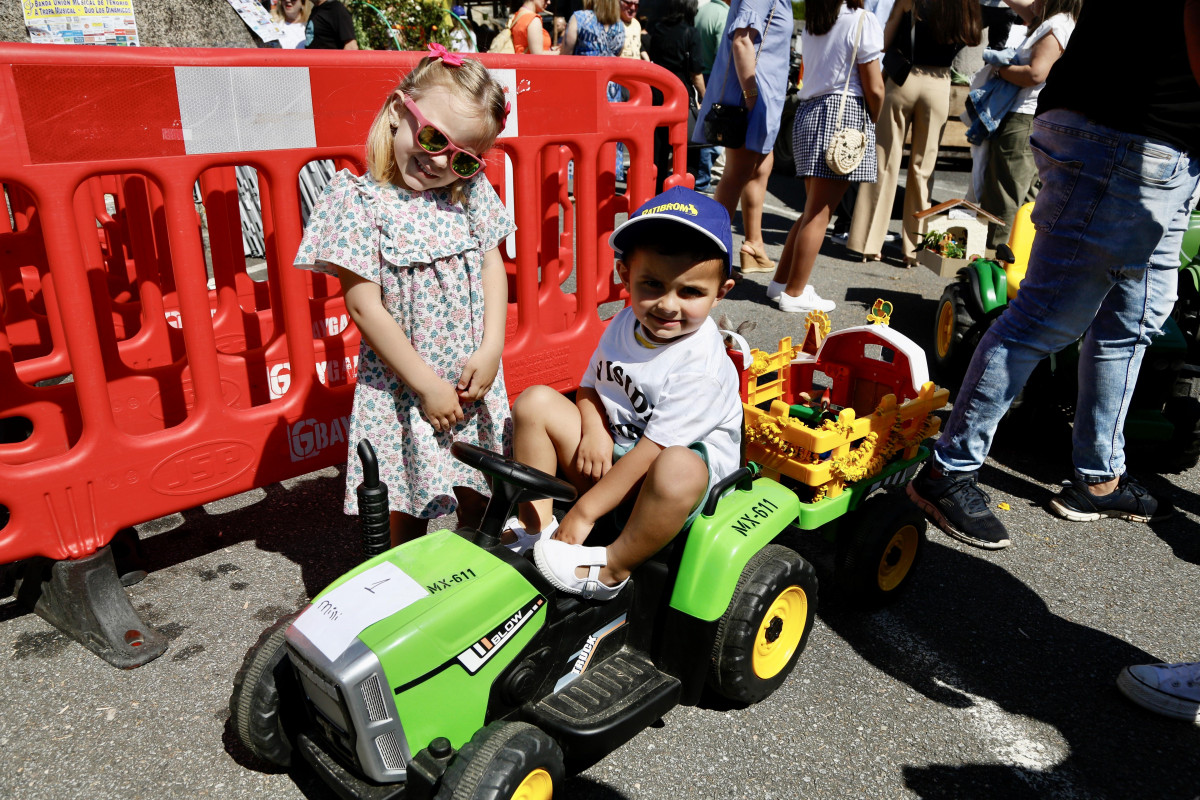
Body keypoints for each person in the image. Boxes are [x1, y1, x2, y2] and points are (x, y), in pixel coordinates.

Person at [906, 0, 1200, 550]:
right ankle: (947, 470)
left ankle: (1099, 478)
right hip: (1127, 140)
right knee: (1044, 318)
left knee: (1135, 321)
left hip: (1154, 148)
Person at [293, 46, 515, 547]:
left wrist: (492, 348)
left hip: (471, 373)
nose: (438, 160)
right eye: (432, 136)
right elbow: (362, 306)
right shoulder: (356, 201)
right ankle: (406, 589)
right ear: (398, 112)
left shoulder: (468, 190)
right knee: (406, 506)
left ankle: (472, 576)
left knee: (482, 489)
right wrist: (425, 386)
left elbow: (491, 264)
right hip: (403, 384)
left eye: (460, 156)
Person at [505, 187, 741, 600]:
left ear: (720, 292)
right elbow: (591, 386)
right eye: (652, 284)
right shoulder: (625, 322)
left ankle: (612, 568)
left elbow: (653, 451)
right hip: (615, 457)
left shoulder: (701, 366)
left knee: (678, 465)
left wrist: (583, 512)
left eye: (690, 292)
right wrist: (594, 430)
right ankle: (536, 527)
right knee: (535, 401)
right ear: (623, 276)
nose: (668, 305)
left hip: (667, 488)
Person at [767, 0, 885, 313]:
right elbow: (874, 86)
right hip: (843, 116)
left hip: (809, 113)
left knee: (812, 210)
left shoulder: (817, 21)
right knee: (820, 213)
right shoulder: (861, 20)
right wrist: (874, 118)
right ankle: (794, 292)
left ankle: (782, 283)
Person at [846, 0, 980, 266]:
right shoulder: (965, 5)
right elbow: (973, 40)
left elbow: (883, 42)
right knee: (923, 169)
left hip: (903, 79)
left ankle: (869, 244)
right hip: (939, 83)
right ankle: (914, 250)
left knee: (884, 162)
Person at [692, 0, 794, 277]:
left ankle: (753, 245)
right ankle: (710, 256)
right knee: (737, 173)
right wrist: (751, 97)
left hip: (760, 98)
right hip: (751, 96)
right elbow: (742, 42)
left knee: (759, 167)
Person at [976, 0, 1080, 250]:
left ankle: (995, 260)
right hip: (1034, 117)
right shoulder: (1057, 21)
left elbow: (1035, 74)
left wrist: (999, 70)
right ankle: (1016, 261)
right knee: (1026, 195)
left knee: (1005, 194)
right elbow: (1027, 8)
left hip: (1023, 119)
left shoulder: (1056, 25)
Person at [647, 0, 706, 192]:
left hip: (657, 93)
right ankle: (683, 190)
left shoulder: (658, 29)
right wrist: (704, 96)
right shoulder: (691, 33)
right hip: (680, 95)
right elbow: (696, 74)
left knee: (659, 148)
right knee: (687, 148)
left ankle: (656, 192)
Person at [692, 0, 730, 192]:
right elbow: (721, 52)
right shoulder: (724, 15)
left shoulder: (701, 10)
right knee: (712, 129)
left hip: (696, 72)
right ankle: (703, 179)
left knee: (699, 125)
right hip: (714, 76)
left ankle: (696, 175)